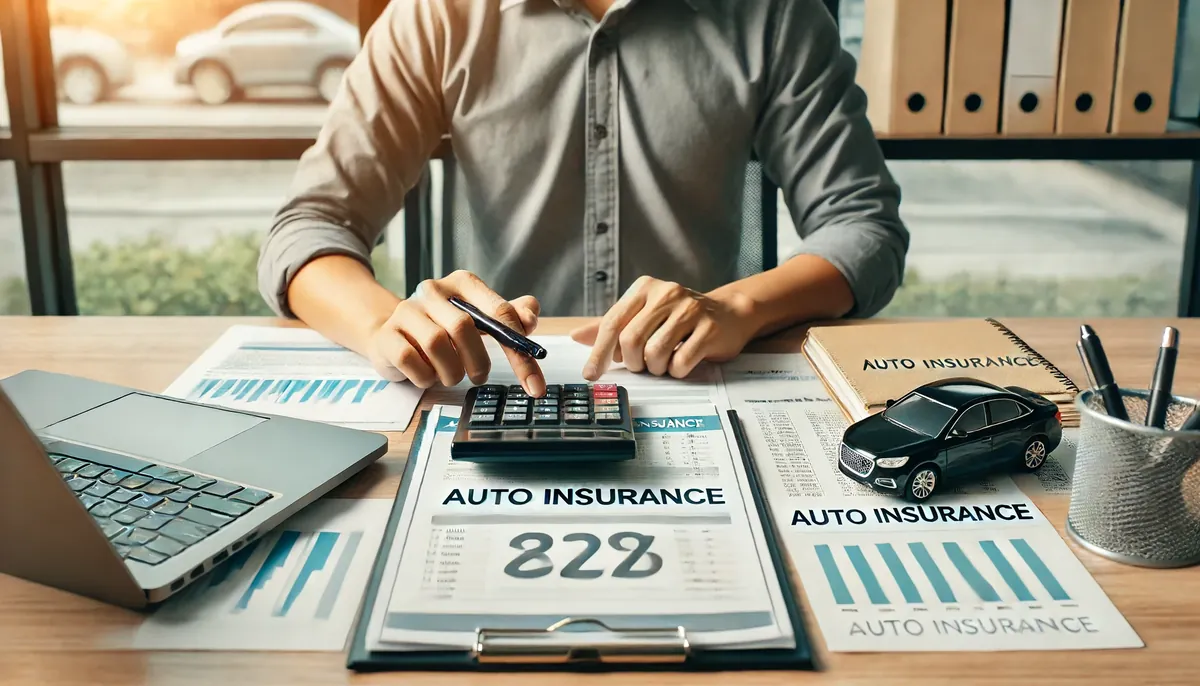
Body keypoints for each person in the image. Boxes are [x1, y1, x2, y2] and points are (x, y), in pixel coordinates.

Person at [257, 0, 908, 398]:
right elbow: (310, 227)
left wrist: (739, 306)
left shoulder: (775, 14)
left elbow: (863, 228)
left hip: (701, 388)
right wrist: (382, 323)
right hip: (491, 391)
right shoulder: (434, 14)